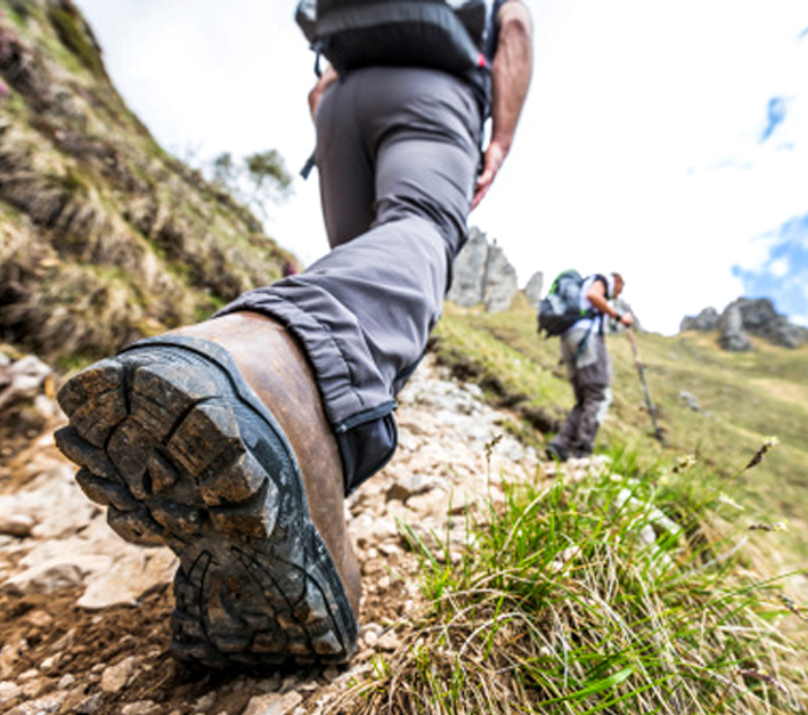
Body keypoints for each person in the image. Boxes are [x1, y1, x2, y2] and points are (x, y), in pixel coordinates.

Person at [55, 1, 533, 669]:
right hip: (435, 89)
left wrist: (332, 105)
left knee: (362, 255)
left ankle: (282, 489)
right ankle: (268, 377)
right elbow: (514, 24)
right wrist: (501, 134)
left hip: (340, 102)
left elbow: (319, 82)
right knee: (419, 230)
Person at [545, 273, 634, 462]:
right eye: (621, 288)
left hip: (569, 339)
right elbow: (593, 296)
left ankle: (560, 444)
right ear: (617, 280)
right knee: (598, 393)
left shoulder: (582, 287)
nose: (617, 294)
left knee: (584, 398)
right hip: (587, 339)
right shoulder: (602, 280)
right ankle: (582, 453)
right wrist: (618, 317)